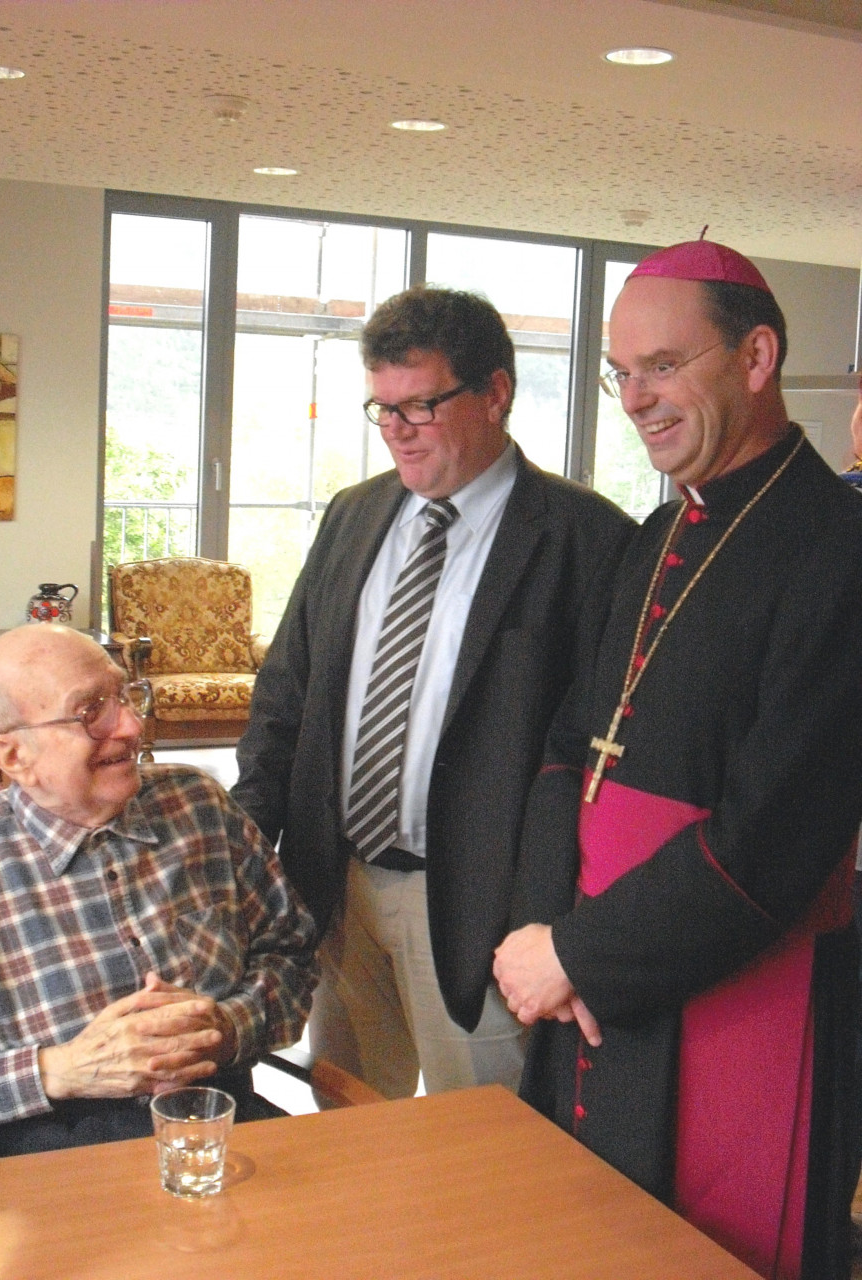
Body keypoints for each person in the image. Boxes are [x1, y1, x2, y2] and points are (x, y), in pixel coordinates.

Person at [493, 239, 862, 1280]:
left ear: (756, 356)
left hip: (739, 978)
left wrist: (578, 956)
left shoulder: (841, 548)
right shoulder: (654, 534)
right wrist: (539, 929)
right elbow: (570, 747)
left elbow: (773, 834)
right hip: (598, 966)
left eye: (663, 364)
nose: (636, 398)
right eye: (621, 371)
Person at [231, 284, 633, 1099]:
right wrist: (244, 849)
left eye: (420, 407)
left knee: (483, 1145)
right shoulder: (354, 515)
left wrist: (550, 922)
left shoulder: (587, 541)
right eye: (381, 410)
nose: (397, 434)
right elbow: (287, 694)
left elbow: (593, 761)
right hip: (336, 883)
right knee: (348, 1115)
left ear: (496, 393)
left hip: (476, 905)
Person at [0, 625, 318, 1158]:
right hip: (50, 1163)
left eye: (124, 695)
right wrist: (59, 1071)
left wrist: (226, 1027)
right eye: (89, 711)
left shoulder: (198, 809)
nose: (130, 724)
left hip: (215, 1132)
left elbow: (292, 953)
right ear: (12, 757)